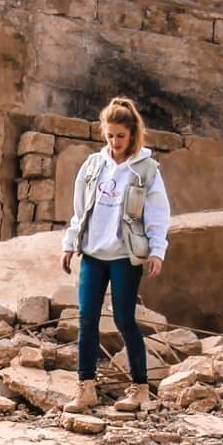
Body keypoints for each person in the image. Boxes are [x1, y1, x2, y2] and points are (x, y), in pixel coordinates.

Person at [60, 95, 170, 408]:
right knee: (87, 319)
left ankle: (140, 388)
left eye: (120, 136)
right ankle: (86, 387)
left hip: (125, 256)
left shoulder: (147, 170)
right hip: (93, 255)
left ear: (133, 134)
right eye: (109, 135)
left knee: (124, 319)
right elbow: (80, 209)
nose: (115, 141)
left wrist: (157, 251)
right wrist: (69, 245)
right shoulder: (94, 166)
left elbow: (158, 214)